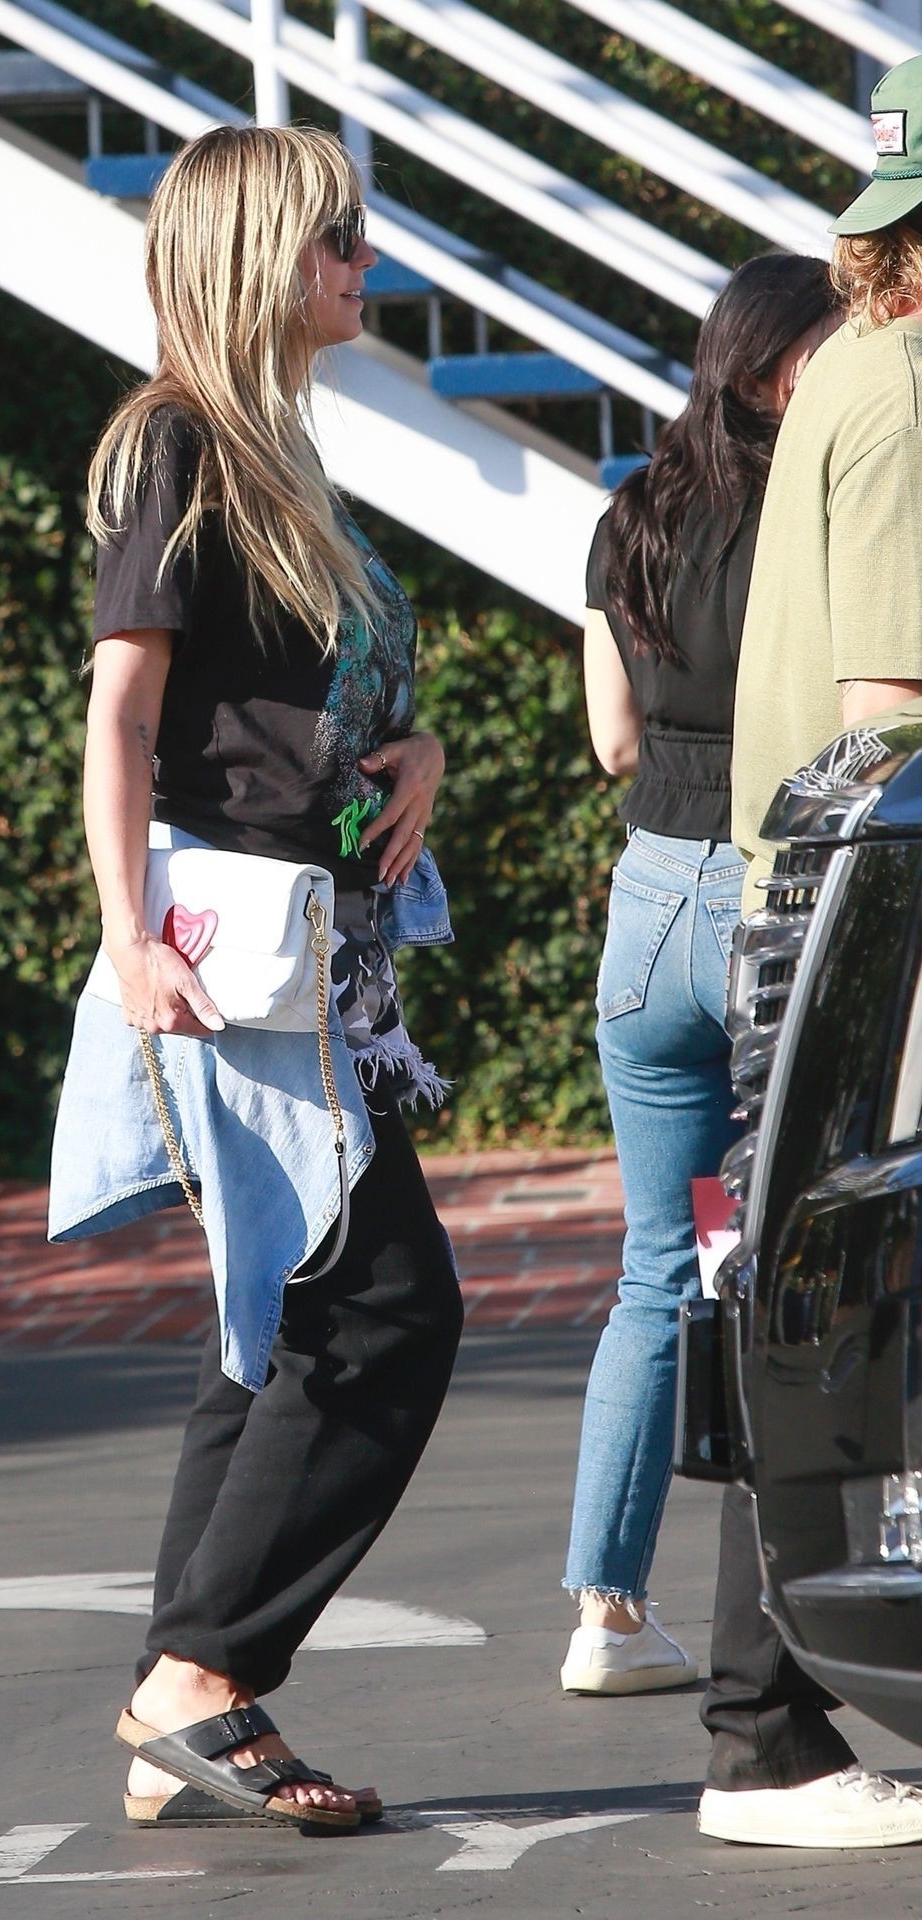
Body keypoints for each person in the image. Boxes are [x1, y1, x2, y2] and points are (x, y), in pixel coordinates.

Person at [46, 123, 463, 1835]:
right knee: (384, 1312)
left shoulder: (277, 448)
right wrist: (126, 935)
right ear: (257, 258)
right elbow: (123, 716)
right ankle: (201, 1675)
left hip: (318, 952)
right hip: (233, 954)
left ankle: (183, 1691)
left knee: (279, 1318)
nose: (364, 265)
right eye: (337, 239)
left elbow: (312, 707)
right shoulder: (178, 444)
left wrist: (418, 750)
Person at [560, 254, 842, 1697]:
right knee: (788, 1260)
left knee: (656, 1268)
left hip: (647, 908)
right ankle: (788, 1617)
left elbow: (611, 739)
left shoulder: (632, 512)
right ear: (785, 369)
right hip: (762, 893)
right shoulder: (819, 509)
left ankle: (604, 1615)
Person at [698, 53, 922, 1849]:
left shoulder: (850, 360)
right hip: (879, 928)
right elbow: (889, 711)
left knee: (811, 1308)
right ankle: (762, 1736)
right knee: (835, 1323)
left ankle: (761, 1724)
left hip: (804, 907)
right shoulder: (911, 385)